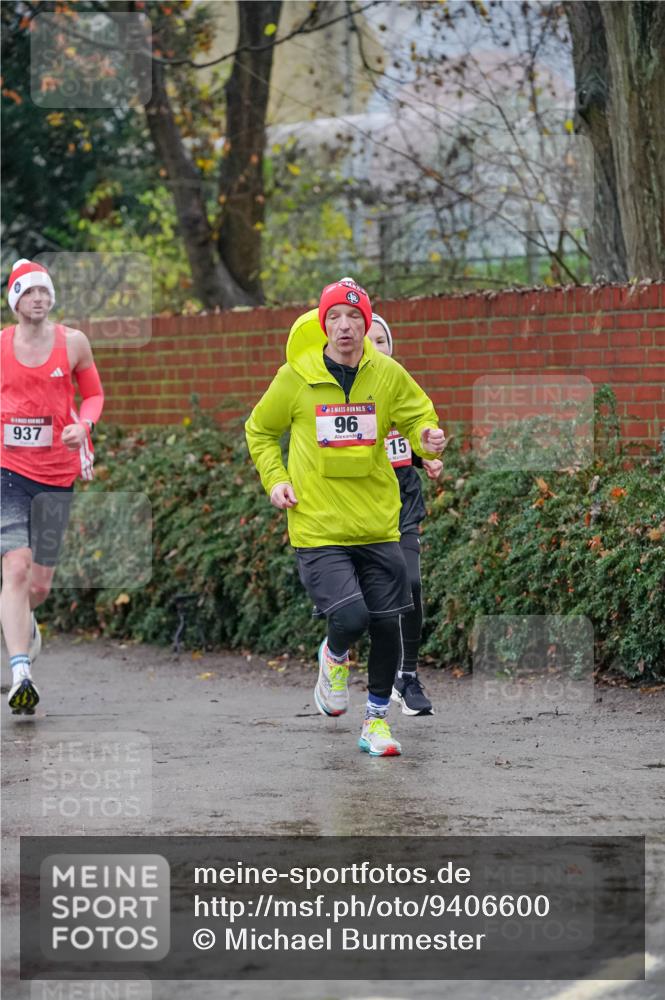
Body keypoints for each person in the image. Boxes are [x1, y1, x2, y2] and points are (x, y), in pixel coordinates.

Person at [245, 278, 444, 757]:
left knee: (387, 623)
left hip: (377, 522)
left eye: (354, 317)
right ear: (321, 324)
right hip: (317, 525)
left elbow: (418, 415)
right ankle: (333, 656)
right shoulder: (295, 377)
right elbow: (259, 430)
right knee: (351, 617)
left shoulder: (387, 373)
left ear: (367, 322)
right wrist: (275, 480)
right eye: (334, 316)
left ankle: (376, 722)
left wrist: (428, 437)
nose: (345, 325)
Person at [1, 258, 104, 714]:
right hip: (7, 472)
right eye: (28, 292)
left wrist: (83, 425)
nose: (38, 299)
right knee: (16, 569)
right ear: (15, 300)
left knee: (39, 585)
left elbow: (95, 395)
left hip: (56, 474)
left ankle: (26, 620)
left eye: (44, 291)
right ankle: (20, 670)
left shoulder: (74, 343)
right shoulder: (1, 345)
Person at [367, 313, 443, 716]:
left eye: (383, 341)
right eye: (369, 340)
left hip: (403, 507)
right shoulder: (354, 393)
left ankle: (407, 676)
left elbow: (414, 432)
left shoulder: (401, 389)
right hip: (361, 510)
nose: (377, 347)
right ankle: (342, 649)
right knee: (366, 604)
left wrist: (426, 455)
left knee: (411, 583)